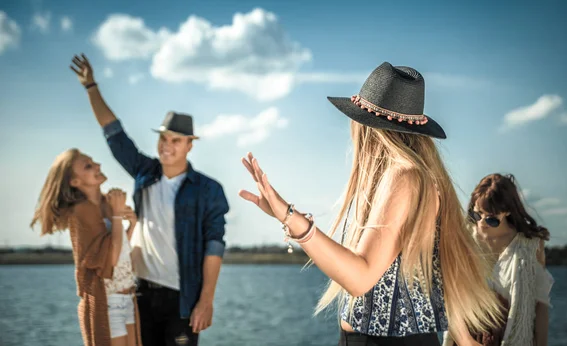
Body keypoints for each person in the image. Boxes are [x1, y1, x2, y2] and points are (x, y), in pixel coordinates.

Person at [239, 62, 503, 346]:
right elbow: (440, 267)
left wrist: (290, 217)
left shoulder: (403, 177)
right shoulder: (416, 179)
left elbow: (361, 276)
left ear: (365, 125)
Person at [70, 53, 230, 346]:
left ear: (189, 145)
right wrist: (91, 86)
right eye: (164, 138)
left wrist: (206, 300)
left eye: (176, 140)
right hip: (139, 293)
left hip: (181, 299)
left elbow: (214, 246)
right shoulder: (145, 172)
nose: (167, 146)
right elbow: (114, 135)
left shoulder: (208, 189)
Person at [30, 149, 141, 346]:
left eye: (94, 162)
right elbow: (108, 260)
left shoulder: (107, 203)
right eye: (88, 166)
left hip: (127, 296)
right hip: (106, 301)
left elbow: (119, 250)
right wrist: (116, 216)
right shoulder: (81, 211)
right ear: (75, 182)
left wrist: (131, 226)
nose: (98, 166)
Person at [443, 173, 553, 346]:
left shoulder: (531, 247)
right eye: (477, 214)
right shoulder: (463, 239)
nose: (482, 223)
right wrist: (467, 342)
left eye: (492, 219)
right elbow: (451, 297)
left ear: (508, 211)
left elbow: (540, 306)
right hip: (465, 338)